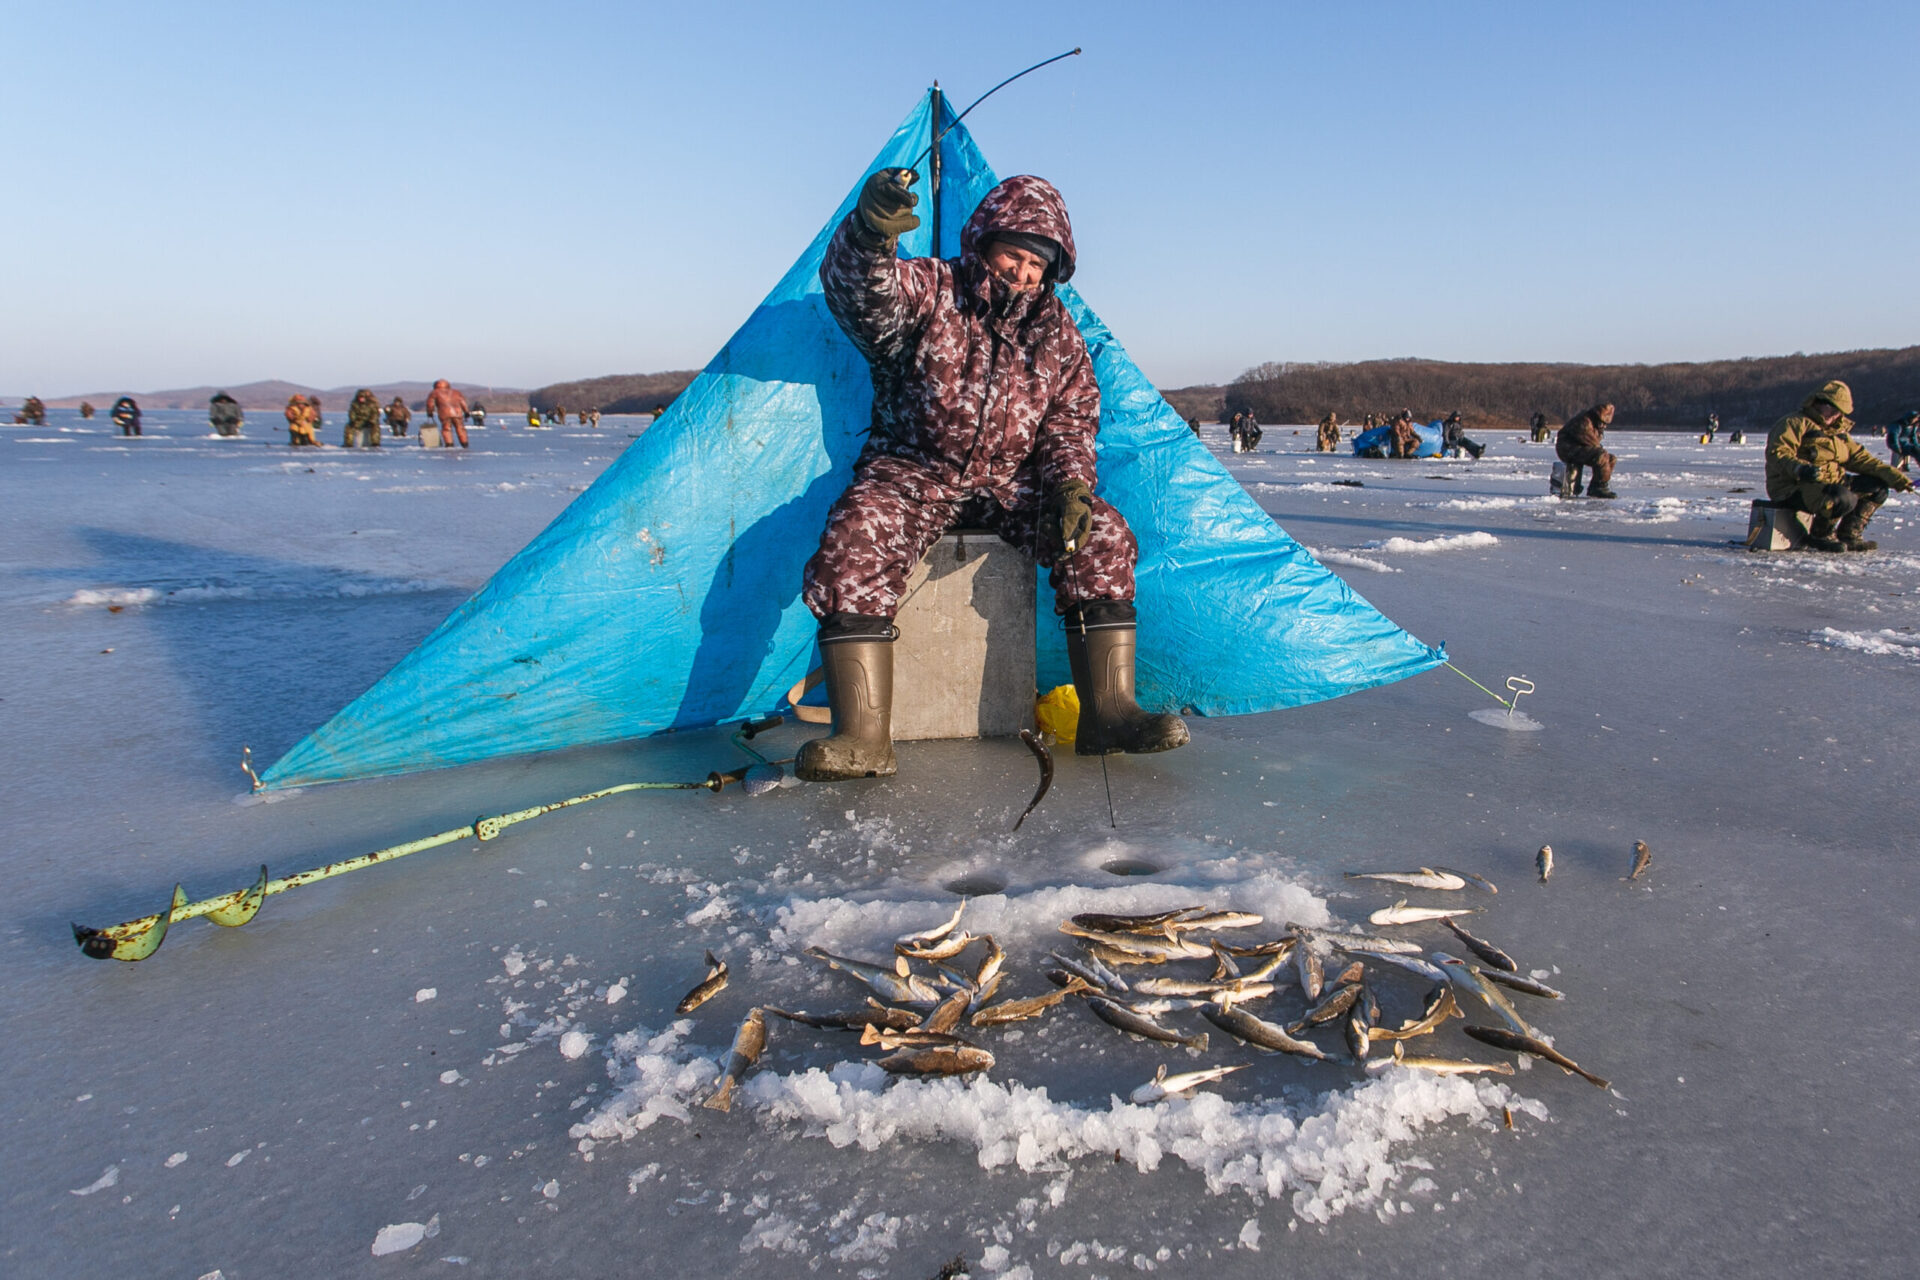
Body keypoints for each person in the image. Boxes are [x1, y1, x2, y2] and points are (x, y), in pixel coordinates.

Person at [796, 166, 1188, 781]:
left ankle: (1109, 713)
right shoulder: (934, 288)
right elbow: (862, 295)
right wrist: (870, 234)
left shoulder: (1058, 333)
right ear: (986, 243)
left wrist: (1070, 488)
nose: (1023, 273)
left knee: (1103, 538)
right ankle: (863, 737)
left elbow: (1071, 419)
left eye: (1038, 265)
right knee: (855, 538)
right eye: (1014, 255)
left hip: (1011, 480)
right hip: (914, 468)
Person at [1767, 381, 1911, 552]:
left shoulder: (1839, 433)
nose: (1835, 415)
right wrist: (1801, 469)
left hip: (1831, 483)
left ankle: (1849, 534)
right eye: (1832, 408)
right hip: (1793, 487)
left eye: (1839, 412)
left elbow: (1861, 459)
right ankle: (1820, 534)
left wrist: (1893, 476)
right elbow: (1778, 453)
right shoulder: (1794, 423)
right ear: (1817, 402)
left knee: (1877, 488)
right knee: (1842, 497)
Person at [1557, 403, 1618, 498]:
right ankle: (1598, 488)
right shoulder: (1584, 422)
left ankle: (1599, 484)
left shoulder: (1596, 425)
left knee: (1611, 459)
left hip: (1581, 448)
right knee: (1601, 456)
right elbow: (1590, 441)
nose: (1604, 426)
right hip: (1568, 449)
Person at [426, 379, 469, 447]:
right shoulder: (456, 392)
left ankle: (449, 444)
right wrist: (466, 412)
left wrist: (430, 412)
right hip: (457, 413)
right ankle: (464, 443)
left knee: (446, 429)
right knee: (460, 428)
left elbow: (430, 404)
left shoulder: (434, 392)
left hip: (444, 413)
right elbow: (462, 402)